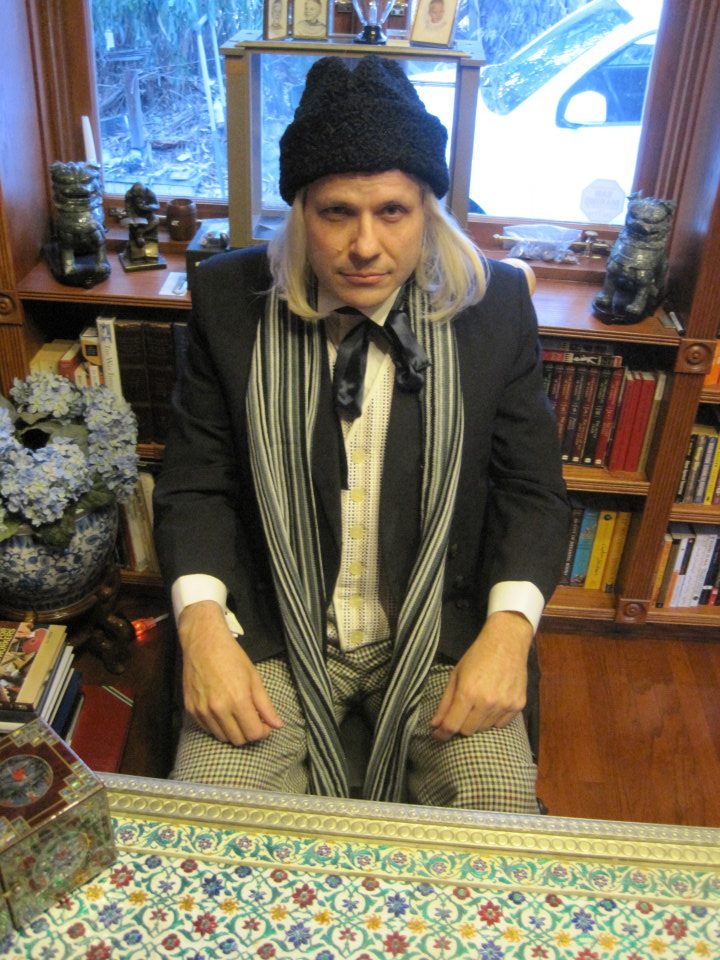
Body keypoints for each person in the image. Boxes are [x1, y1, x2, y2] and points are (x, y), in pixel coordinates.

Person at [153, 55, 570, 812]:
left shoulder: (497, 306)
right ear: (300, 212)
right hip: (276, 627)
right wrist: (203, 630)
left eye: (393, 212)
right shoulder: (227, 301)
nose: (366, 246)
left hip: (441, 633)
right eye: (337, 212)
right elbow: (195, 484)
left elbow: (531, 491)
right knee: (208, 823)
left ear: (428, 211)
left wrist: (510, 634)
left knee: (497, 829)